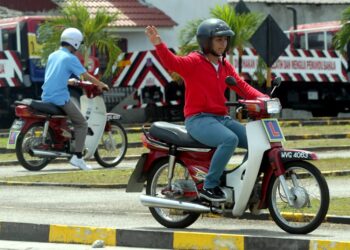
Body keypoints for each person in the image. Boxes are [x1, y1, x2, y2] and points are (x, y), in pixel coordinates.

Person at [145, 18, 267, 202]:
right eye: (218, 40)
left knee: (257, 141)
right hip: (198, 120)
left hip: (220, 118)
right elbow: (173, 63)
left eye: (225, 40)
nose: (223, 44)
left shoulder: (225, 66)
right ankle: (209, 186)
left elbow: (242, 86)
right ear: (206, 41)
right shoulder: (194, 61)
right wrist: (159, 44)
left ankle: (244, 182)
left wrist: (264, 98)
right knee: (229, 140)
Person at [41, 27, 109, 171]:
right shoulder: (70, 58)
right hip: (60, 98)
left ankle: (66, 143)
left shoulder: (53, 55)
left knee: (66, 120)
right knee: (82, 124)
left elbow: (52, 77)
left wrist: (68, 81)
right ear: (75, 43)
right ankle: (77, 158)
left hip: (46, 96)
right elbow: (86, 76)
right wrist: (101, 84)